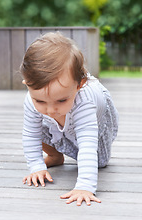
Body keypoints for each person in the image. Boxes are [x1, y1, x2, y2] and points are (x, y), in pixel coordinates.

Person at [20, 32, 118, 206]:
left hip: (93, 122)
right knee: (40, 125)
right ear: (27, 83)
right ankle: (55, 156)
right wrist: (36, 167)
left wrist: (85, 186)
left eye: (61, 100)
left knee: (99, 162)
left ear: (79, 85)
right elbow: (31, 135)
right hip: (61, 122)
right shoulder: (32, 100)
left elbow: (88, 144)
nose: (50, 109)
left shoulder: (84, 101)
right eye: (40, 100)